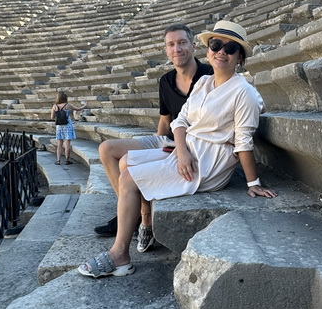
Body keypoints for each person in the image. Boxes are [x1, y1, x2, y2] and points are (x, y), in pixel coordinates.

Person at [78, 20, 276, 278]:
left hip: (207, 163)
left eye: (230, 48)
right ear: (207, 50)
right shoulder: (205, 82)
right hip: (187, 150)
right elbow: (180, 121)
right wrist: (181, 150)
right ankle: (141, 225)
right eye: (216, 45)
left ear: (240, 58)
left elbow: (243, 143)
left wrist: (253, 183)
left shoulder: (244, 93)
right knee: (125, 162)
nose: (221, 52)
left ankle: (119, 255)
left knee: (128, 176)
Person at [94, 23, 213, 252]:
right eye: (171, 44)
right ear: (166, 50)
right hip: (167, 139)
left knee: (127, 163)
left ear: (193, 45)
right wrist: (154, 149)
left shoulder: (208, 75)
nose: (176, 48)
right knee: (106, 149)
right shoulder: (166, 81)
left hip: (191, 144)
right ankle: (132, 214)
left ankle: (137, 217)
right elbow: (164, 120)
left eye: (181, 43)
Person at [51, 91, 76, 164]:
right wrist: (84, 105)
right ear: (65, 97)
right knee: (67, 143)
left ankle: (58, 160)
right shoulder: (67, 105)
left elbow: (52, 117)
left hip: (59, 125)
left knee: (59, 144)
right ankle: (67, 160)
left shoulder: (54, 106)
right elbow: (78, 109)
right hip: (67, 125)